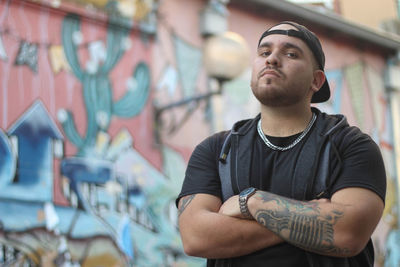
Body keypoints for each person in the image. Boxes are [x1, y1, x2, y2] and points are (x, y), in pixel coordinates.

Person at [176, 21, 386, 267]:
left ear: (316, 81)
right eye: (264, 52)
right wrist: (308, 220)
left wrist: (250, 203)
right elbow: (195, 238)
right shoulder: (217, 150)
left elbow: (347, 234)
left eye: (290, 54)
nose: (272, 59)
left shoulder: (350, 146)